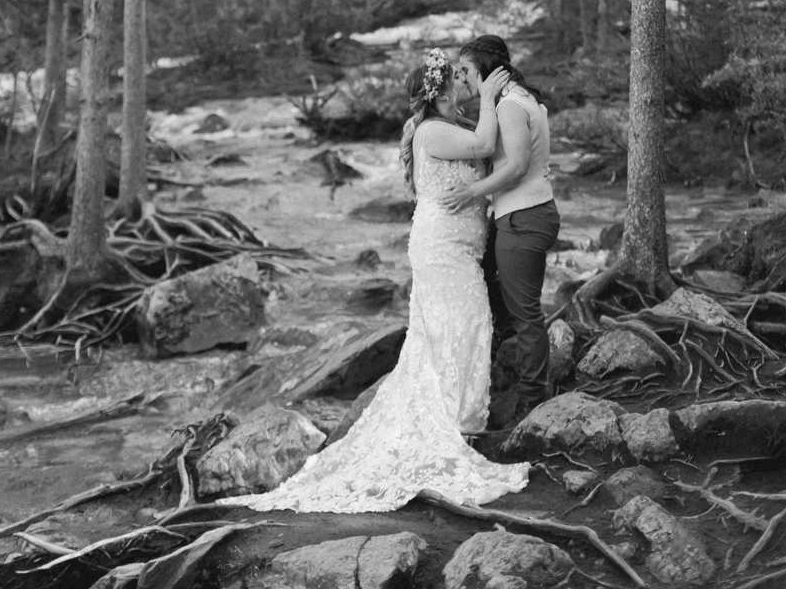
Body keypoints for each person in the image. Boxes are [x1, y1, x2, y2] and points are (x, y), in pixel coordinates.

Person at [218, 48, 530, 513]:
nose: (457, 92)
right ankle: (453, 422)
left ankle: (461, 418)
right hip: (442, 248)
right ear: (435, 94)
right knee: (460, 324)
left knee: (461, 326)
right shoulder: (432, 131)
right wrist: (489, 95)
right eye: (450, 86)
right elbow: (486, 147)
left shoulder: (447, 128)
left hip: (460, 248)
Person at [442, 35, 559, 422]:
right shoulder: (520, 99)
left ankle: (533, 400)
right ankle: (503, 376)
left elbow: (516, 166)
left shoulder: (510, 105)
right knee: (494, 300)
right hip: (520, 216)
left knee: (525, 315)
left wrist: (472, 191)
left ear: (487, 71)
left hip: (524, 218)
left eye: (467, 72)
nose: (463, 79)